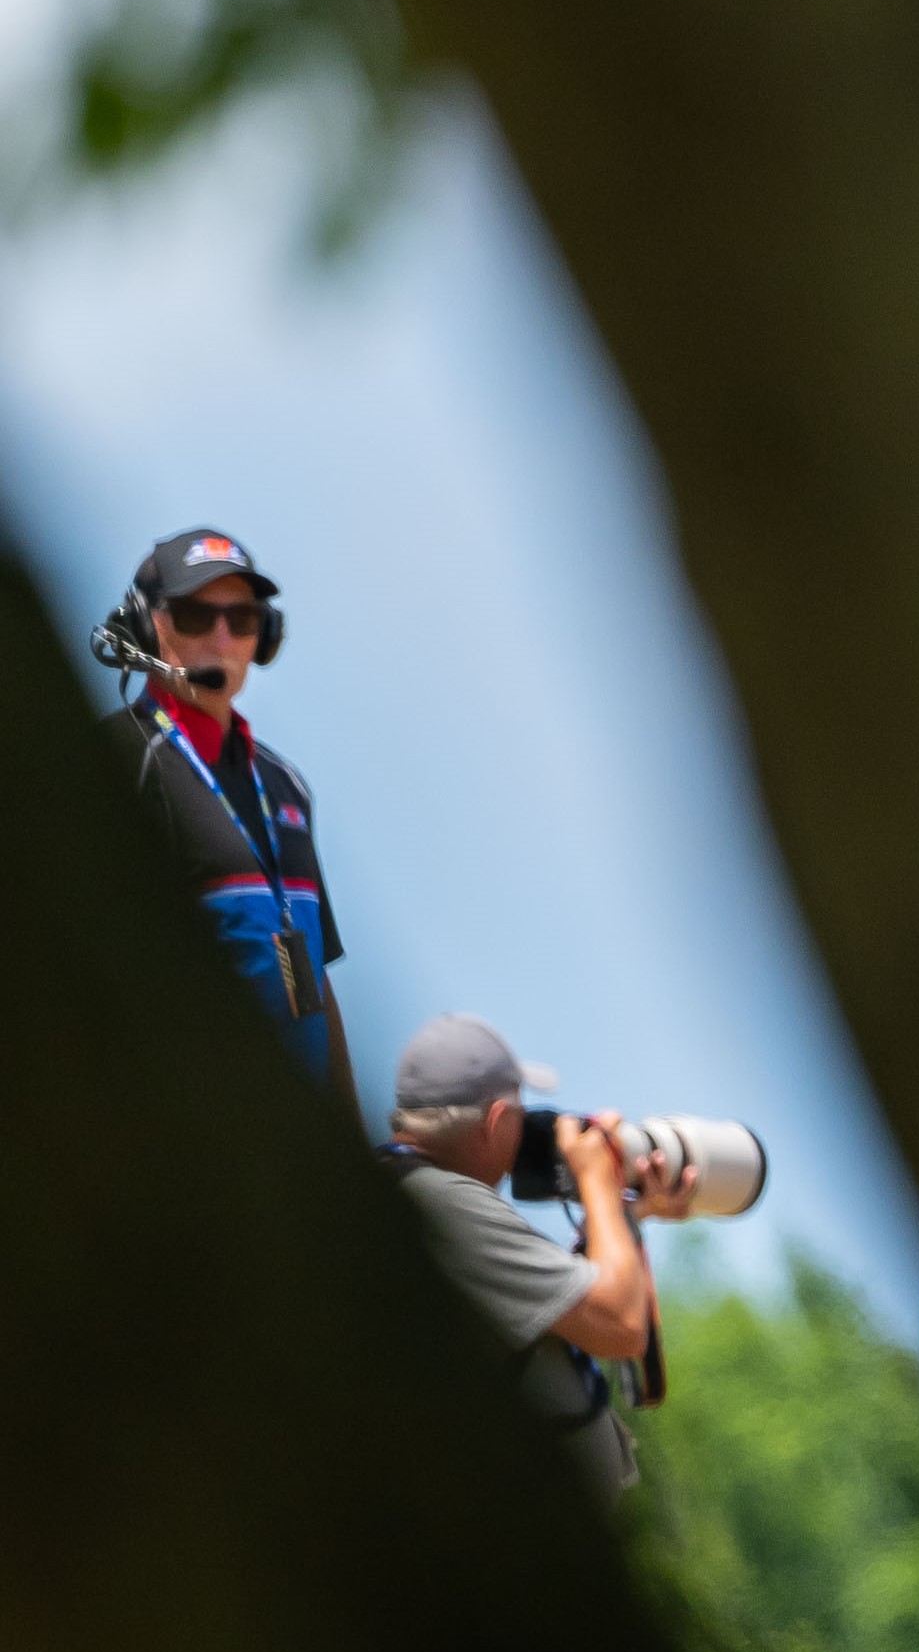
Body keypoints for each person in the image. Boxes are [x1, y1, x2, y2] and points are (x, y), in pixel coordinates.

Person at [98, 526, 349, 1096]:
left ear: (266, 637)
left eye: (242, 621)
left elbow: (318, 981)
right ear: (145, 625)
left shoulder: (287, 787)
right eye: (193, 616)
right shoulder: (115, 764)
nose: (220, 638)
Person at [383, 1011, 653, 1494]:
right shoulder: (443, 1202)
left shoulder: (416, 1191)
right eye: (521, 1115)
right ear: (495, 1121)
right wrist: (597, 1182)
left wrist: (621, 1215)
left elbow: (582, 1302)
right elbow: (620, 1323)